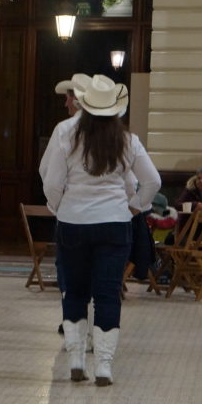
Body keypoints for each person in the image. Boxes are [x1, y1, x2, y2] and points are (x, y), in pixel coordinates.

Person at [41, 74, 161, 386]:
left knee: (75, 291)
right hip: (114, 225)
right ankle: (104, 365)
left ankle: (77, 359)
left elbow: (52, 183)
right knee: (108, 294)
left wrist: (60, 207)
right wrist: (134, 206)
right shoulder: (128, 141)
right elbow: (152, 182)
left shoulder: (68, 137)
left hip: (73, 224)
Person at [40, 73, 91, 336]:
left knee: (69, 268)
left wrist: (58, 205)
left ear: (76, 100)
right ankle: (95, 325)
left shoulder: (64, 129)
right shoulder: (117, 131)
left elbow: (47, 171)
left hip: (71, 213)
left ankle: (72, 319)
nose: (65, 104)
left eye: (67, 98)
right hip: (109, 217)